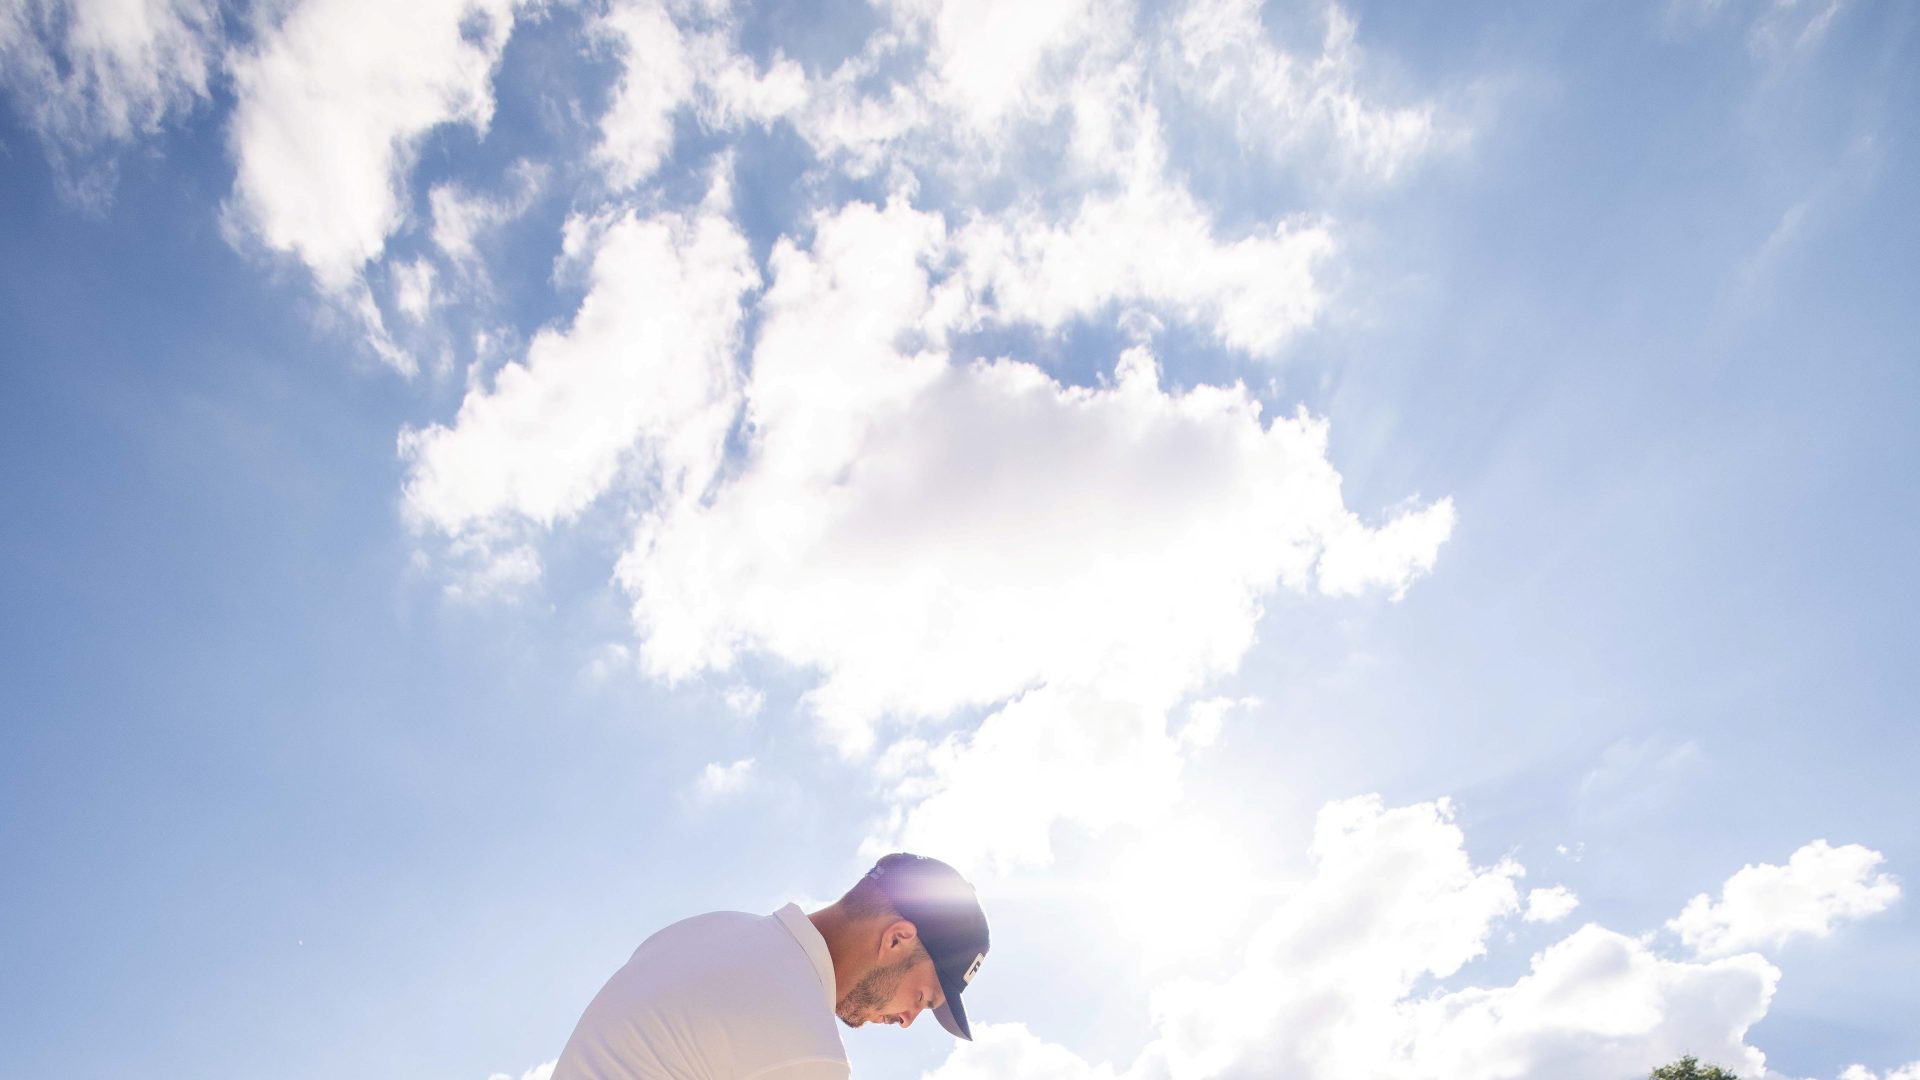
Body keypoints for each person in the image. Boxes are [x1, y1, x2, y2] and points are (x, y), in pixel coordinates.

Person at [552, 852, 992, 1080]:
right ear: (897, 938)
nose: (907, 1021)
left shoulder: (707, 929)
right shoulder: (804, 1045)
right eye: (922, 997)